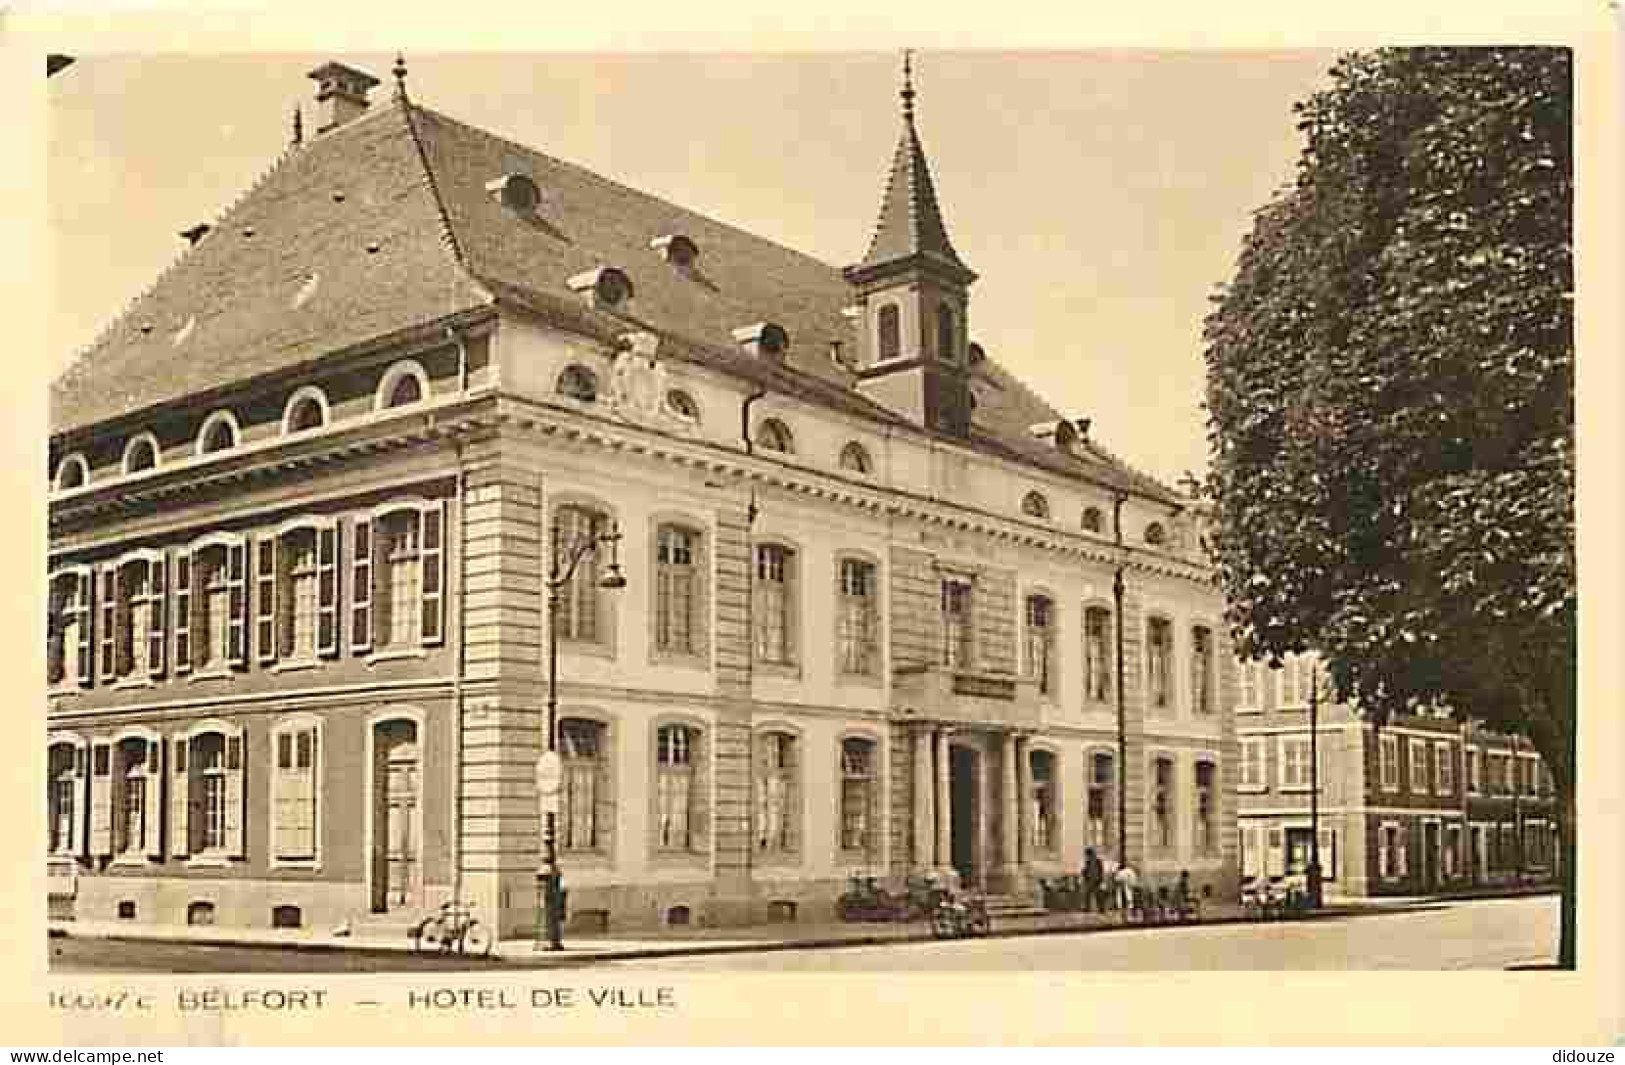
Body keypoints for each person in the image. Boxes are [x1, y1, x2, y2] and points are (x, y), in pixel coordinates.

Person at [1081, 848, 1104, 913]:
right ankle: (1087, 908)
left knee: (1097, 895)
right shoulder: (1088, 862)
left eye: (1087, 855)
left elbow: (1101, 871)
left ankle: (1101, 908)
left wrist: (1100, 879)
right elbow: (1085, 870)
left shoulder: (1098, 861)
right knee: (1087, 895)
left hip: (1096, 880)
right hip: (1089, 880)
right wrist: (1084, 873)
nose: (1086, 856)